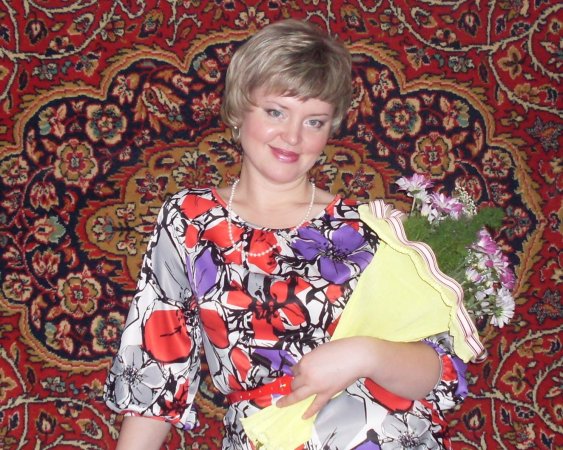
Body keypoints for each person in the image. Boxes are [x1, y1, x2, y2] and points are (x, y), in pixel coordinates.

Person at [104, 19, 472, 449]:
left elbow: (440, 374)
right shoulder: (190, 219)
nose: (293, 137)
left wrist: (364, 354)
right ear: (239, 109)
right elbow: (156, 372)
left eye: (314, 121)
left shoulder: (366, 229)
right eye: (276, 112)